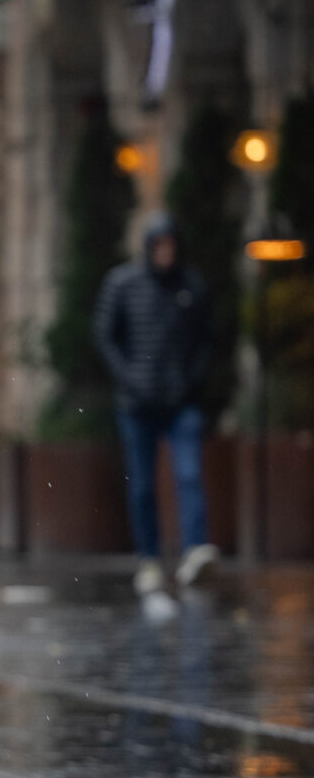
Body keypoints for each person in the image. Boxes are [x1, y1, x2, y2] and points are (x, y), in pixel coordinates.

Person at [96, 213, 216, 597]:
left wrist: (192, 381)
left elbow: (206, 339)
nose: (165, 253)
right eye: (159, 245)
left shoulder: (191, 287)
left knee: (189, 474)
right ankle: (149, 558)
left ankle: (194, 549)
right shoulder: (123, 284)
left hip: (182, 402)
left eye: (171, 245)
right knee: (143, 485)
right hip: (137, 404)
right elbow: (105, 335)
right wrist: (130, 379)